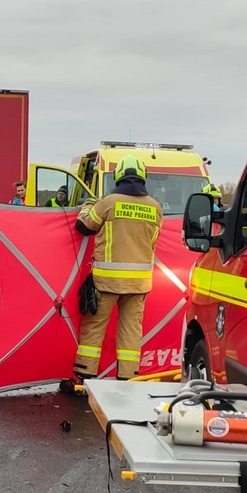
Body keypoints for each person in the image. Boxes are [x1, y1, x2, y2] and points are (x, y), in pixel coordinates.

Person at [71, 154, 162, 381]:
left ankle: (84, 376)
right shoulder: (155, 207)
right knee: (131, 331)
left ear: (119, 175)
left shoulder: (108, 202)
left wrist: (87, 206)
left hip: (106, 281)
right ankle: (128, 378)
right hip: (139, 283)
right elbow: (152, 241)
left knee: (94, 328)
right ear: (143, 176)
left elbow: (84, 226)